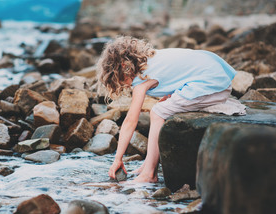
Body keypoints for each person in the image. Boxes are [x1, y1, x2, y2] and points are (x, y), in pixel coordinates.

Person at [96, 36, 239, 183]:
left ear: (125, 66)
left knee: (158, 112)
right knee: (163, 107)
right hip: (217, 80)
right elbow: (180, 73)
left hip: (211, 86)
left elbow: (130, 122)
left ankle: (149, 174)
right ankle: (147, 165)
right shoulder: (152, 59)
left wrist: (117, 159)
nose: (126, 86)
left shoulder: (141, 79)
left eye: (122, 81)